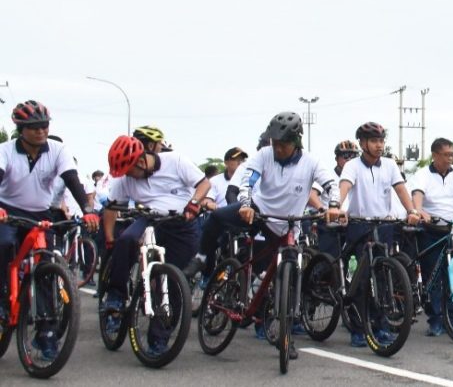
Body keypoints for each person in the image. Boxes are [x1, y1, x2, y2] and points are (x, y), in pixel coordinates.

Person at [185, 111, 340, 359]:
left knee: (290, 272)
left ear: (296, 142)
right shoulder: (264, 155)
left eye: (283, 144)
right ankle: (203, 258)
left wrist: (333, 205)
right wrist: (245, 204)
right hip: (258, 212)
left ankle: (285, 333)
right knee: (216, 218)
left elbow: (331, 183)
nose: (278, 148)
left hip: (289, 224)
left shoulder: (311, 162)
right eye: (274, 143)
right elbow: (248, 180)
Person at [0, 100, 99, 358]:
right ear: (21, 128)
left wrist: (87, 210)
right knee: (4, 246)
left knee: (45, 267)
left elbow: (72, 180)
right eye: (34, 127)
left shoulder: (57, 150)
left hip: (40, 213)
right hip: (7, 210)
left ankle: (46, 334)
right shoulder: (6, 151)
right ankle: (2, 299)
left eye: (44, 126)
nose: (41, 131)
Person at [102, 135, 210, 356]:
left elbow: (204, 183)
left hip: (182, 223)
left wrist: (195, 203)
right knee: (126, 240)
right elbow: (112, 208)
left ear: (142, 161)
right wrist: (109, 237)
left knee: (175, 281)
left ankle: (159, 339)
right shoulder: (124, 179)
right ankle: (116, 294)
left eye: (130, 171)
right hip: (150, 219)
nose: (128, 177)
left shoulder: (176, 161)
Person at [334, 122, 416, 348]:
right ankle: (358, 329)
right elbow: (345, 187)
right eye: (374, 141)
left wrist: (412, 210)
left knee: (383, 278)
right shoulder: (352, 166)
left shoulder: (390, 165)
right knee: (362, 279)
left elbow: (400, 190)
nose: (379, 145)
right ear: (362, 143)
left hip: (384, 226)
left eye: (381, 141)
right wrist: (337, 206)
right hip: (359, 226)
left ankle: (381, 326)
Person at [408, 138, 453, 337]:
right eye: (447, 155)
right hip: (431, 230)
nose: (451, 158)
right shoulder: (422, 174)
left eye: (452, 155)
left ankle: (452, 318)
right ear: (435, 155)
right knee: (434, 275)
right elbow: (417, 195)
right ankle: (435, 320)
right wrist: (418, 211)